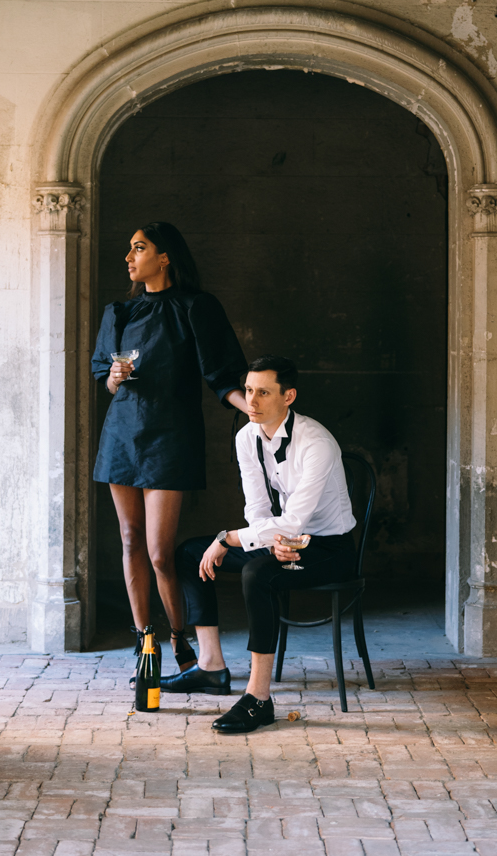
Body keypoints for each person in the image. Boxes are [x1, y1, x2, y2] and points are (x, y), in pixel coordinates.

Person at [160, 354, 357, 733]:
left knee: (257, 574)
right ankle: (211, 667)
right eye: (248, 390)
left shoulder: (317, 443)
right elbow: (258, 508)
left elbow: (296, 520)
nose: (251, 401)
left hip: (329, 549)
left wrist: (228, 539)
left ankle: (258, 699)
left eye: (263, 392)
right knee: (189, 554)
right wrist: (270, 544)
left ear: (289, 396)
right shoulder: (246, 436)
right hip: (281, 539)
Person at [91, 222, 248, 673]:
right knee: (129, 539)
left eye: (138, 248)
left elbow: (221, 374)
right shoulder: (118, 313)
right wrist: (113, 378)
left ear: (164, 258)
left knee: (160, 552)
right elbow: (105, 373)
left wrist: (254, 407)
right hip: (122, 435)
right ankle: (146, 643)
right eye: (129, 248)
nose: (128, 257)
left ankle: (179, 636)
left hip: (170, 438)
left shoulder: (196, 307)